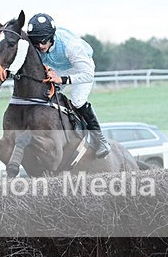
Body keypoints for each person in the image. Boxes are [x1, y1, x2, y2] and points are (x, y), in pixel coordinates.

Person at [26, 12, 110, 158]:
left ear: (51, 37)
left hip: (81, 67)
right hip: (59, 67)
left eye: (43, 41)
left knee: (77, 100)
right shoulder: (39, 45)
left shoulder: (72, 46)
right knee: (45, 93)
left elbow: (88, 75)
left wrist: (62, 80)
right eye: (36, 42)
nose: (40, 46)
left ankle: (101, 140)